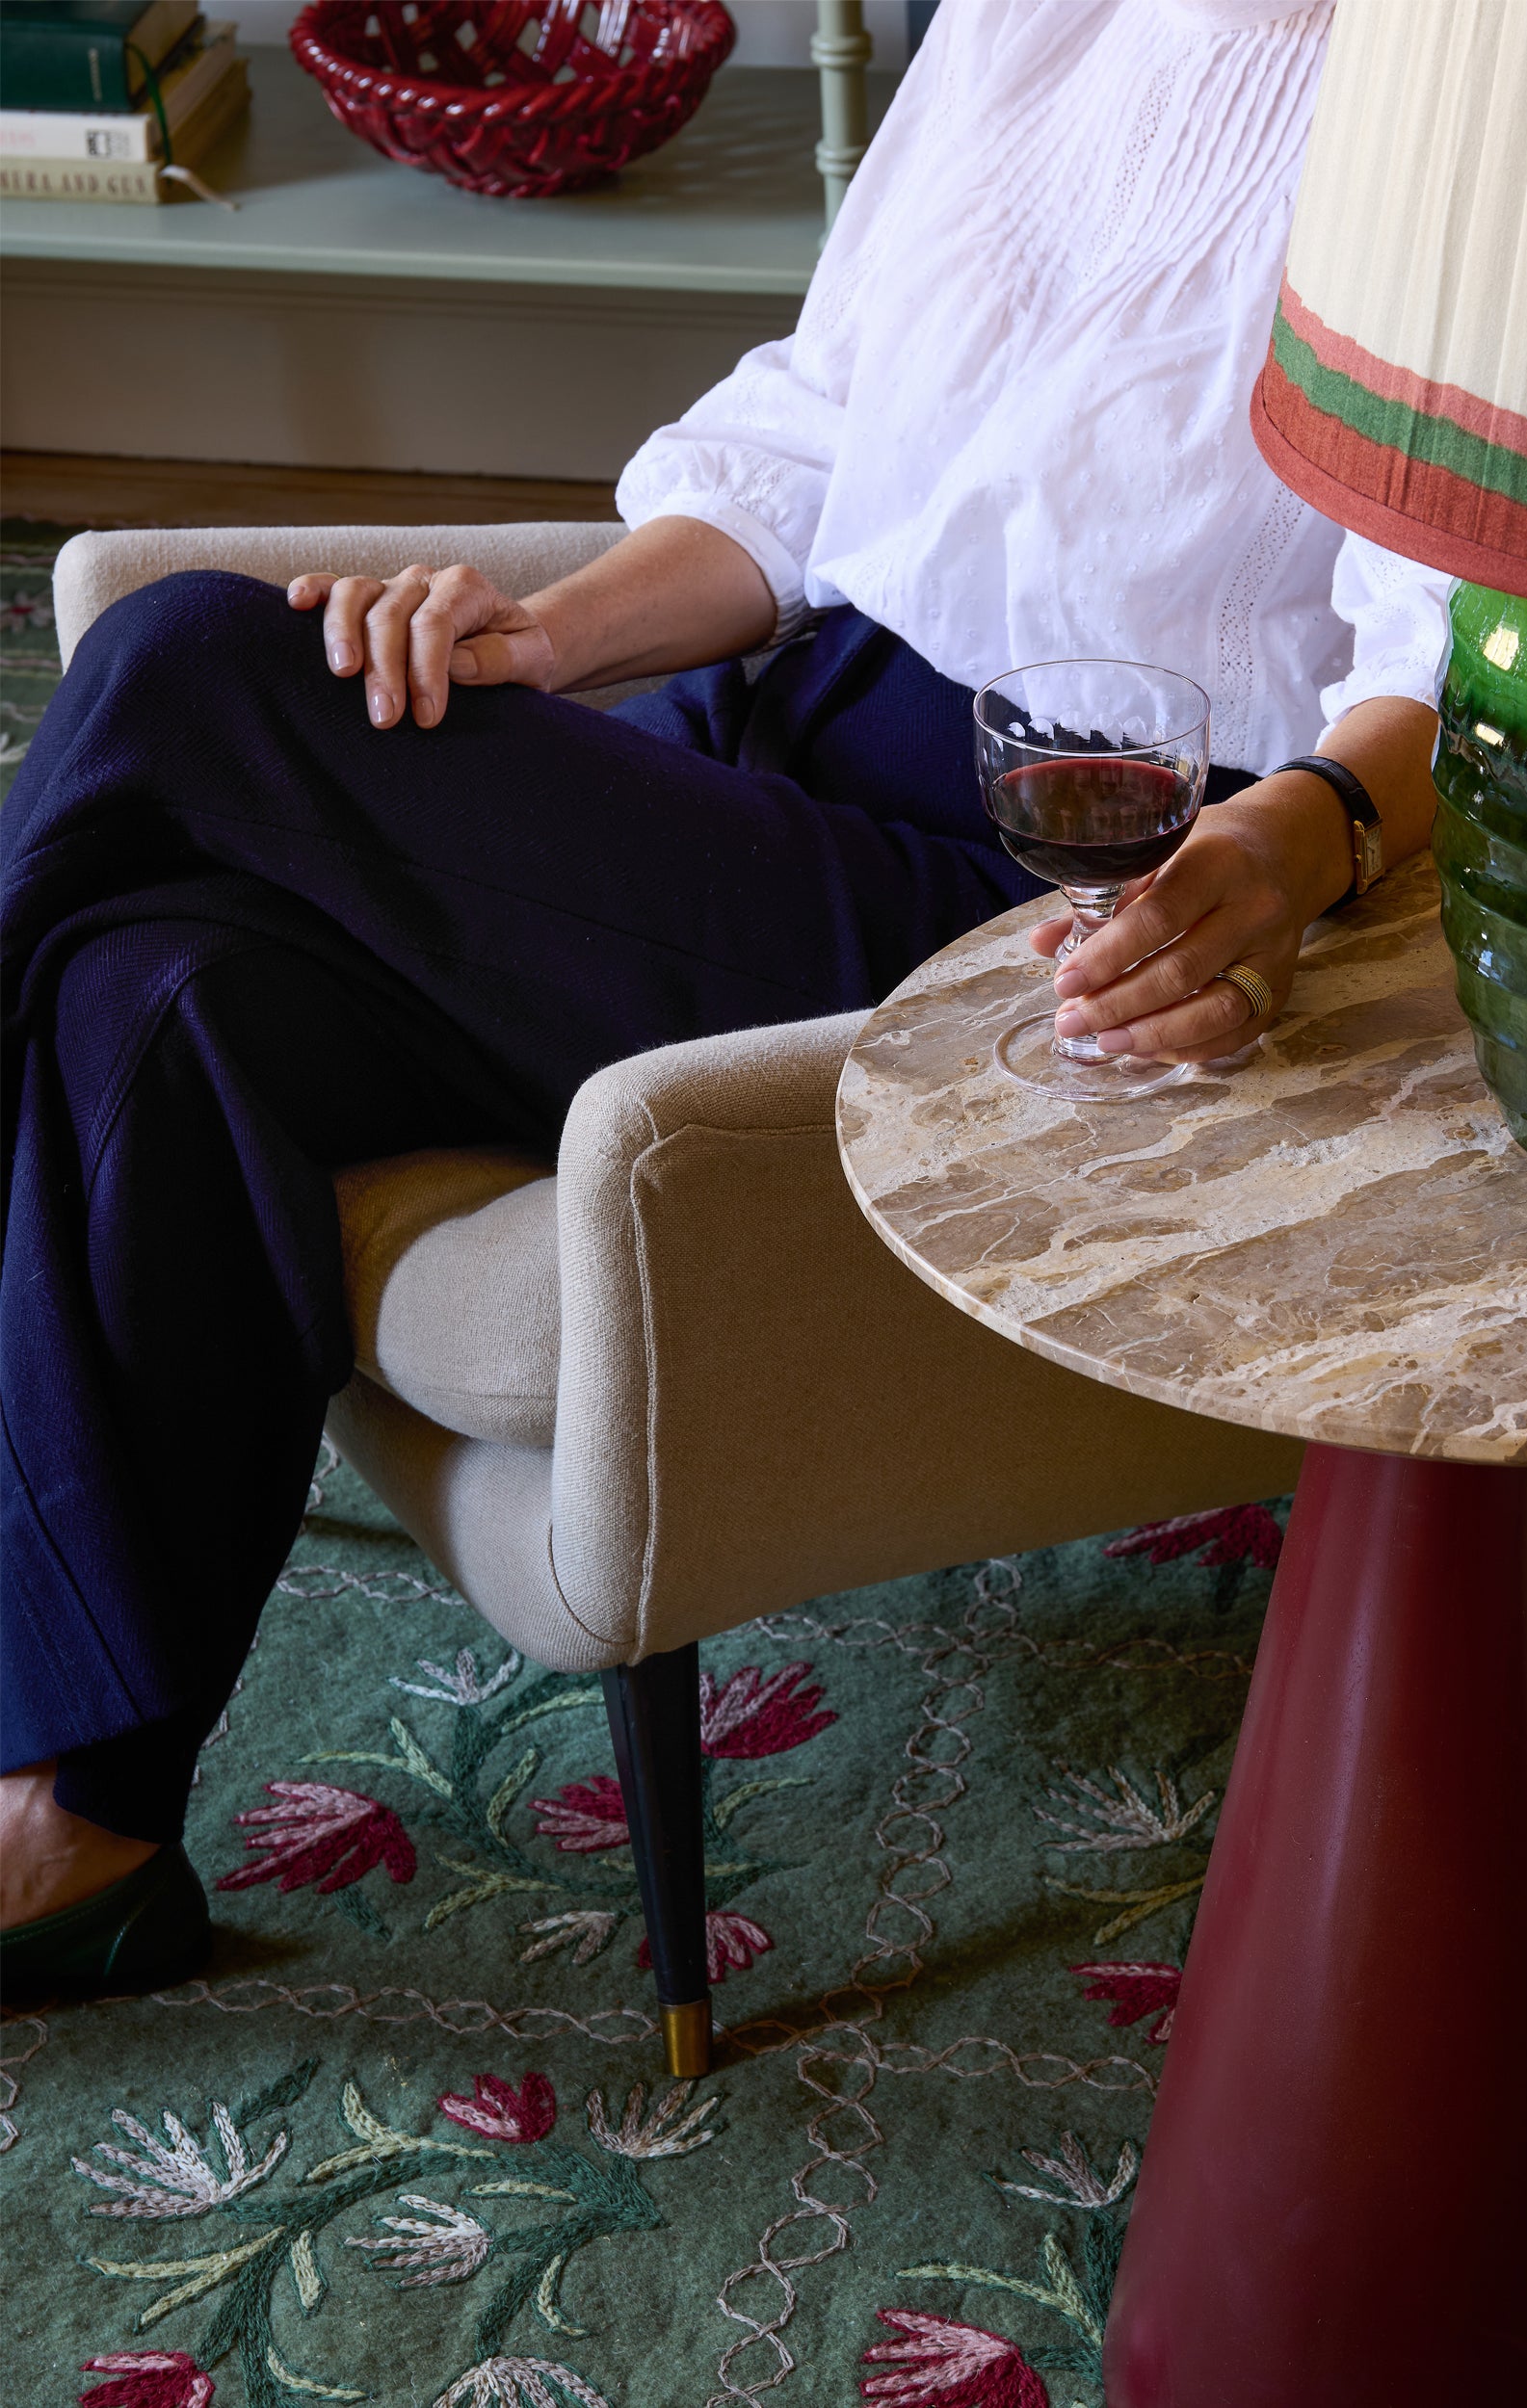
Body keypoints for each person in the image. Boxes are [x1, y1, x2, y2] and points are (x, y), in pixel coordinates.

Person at [0, 0, 1450, 1988]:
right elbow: (817, 420)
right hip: (747, 740)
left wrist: (1291, 849)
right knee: (156, 985)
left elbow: (1475, 626)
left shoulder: (1483, 76)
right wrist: (551, 633)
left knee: (184, 666)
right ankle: (79, 1822)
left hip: (1030, 875)